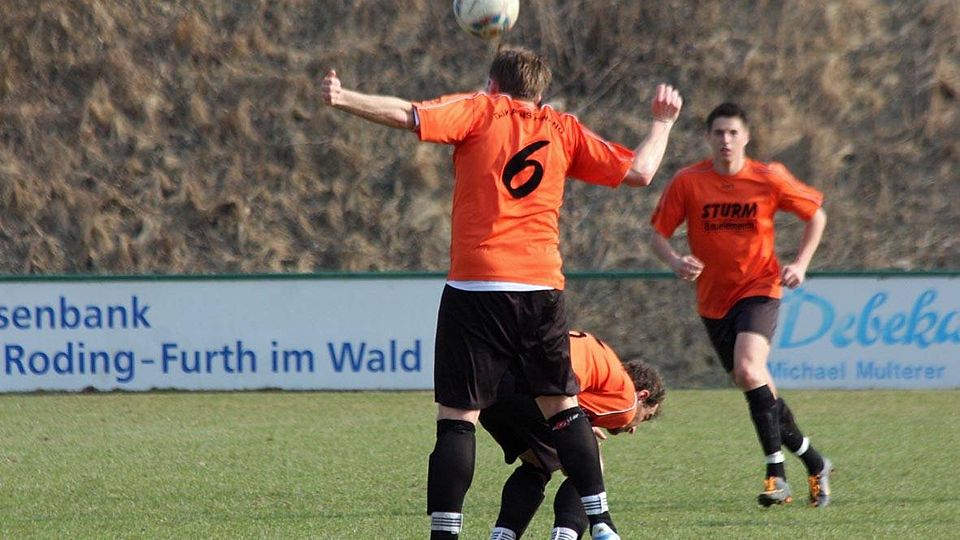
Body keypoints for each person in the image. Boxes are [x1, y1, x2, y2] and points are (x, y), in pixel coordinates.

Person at [321, 46, 683, 539]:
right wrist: (661, 122)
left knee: (458, 418)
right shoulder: (563, 128)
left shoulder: (479, 110)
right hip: (539, 286)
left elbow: (408, 114)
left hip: (476, 284)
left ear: (493, 84)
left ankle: (445, 534)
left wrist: (344, 98)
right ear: (540, 92)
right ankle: (600, 522)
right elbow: (640, 171)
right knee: (563, 407)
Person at [649, 102, 833, 508]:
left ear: (746, 137)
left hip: (759, 287)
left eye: (733, 132)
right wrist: (675, 261)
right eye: (719, 132)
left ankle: (775, 475)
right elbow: (658, 233)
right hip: (713, 301)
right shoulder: (688, 181)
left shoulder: (768, 177)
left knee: (749, 369)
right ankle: (815, 462)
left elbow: (815, 215)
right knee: (754, 384)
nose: (726, 140)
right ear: (708, 137)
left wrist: (801, 264)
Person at [481, 330, 666, 540]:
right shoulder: (627, 402)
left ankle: (503, 535)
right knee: (589, 464)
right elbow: (563, 410)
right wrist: (580, 426)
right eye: (645, 417)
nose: (634, 428)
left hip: (492, 385)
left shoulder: (608, 367)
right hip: (530, 387)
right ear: (642, 395)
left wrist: (581, 424)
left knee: (537, 464)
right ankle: (566, 535)